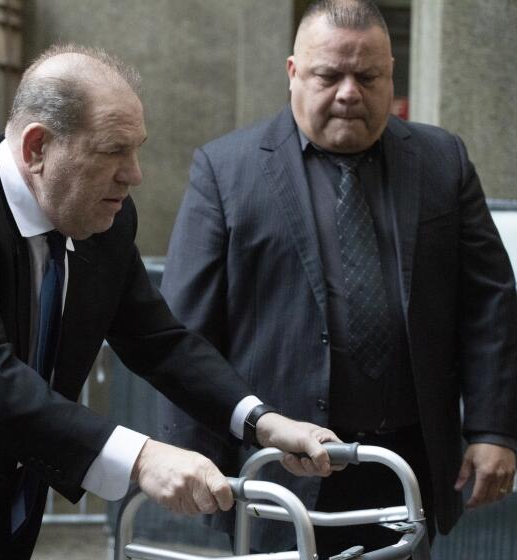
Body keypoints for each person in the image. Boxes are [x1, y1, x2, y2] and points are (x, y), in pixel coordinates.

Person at [0, 44, 342, 560]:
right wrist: (142, 458)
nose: (134, 175)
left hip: (17, 495)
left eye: (138, 149)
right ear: (37, 148)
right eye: (112, 150)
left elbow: (158, 340)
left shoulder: (100, 215)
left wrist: (261, 421)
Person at [158, 0, 517, 556]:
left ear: (390, 75)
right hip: (278, 473)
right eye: (330, 75)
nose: (350, 92)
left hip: (410, 464)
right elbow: (187, 331)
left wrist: (494, 429)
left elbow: (490, 300)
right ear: (293, 72)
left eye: (368, 76)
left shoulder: (442, 161)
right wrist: (187, 456)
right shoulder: (227, 171)